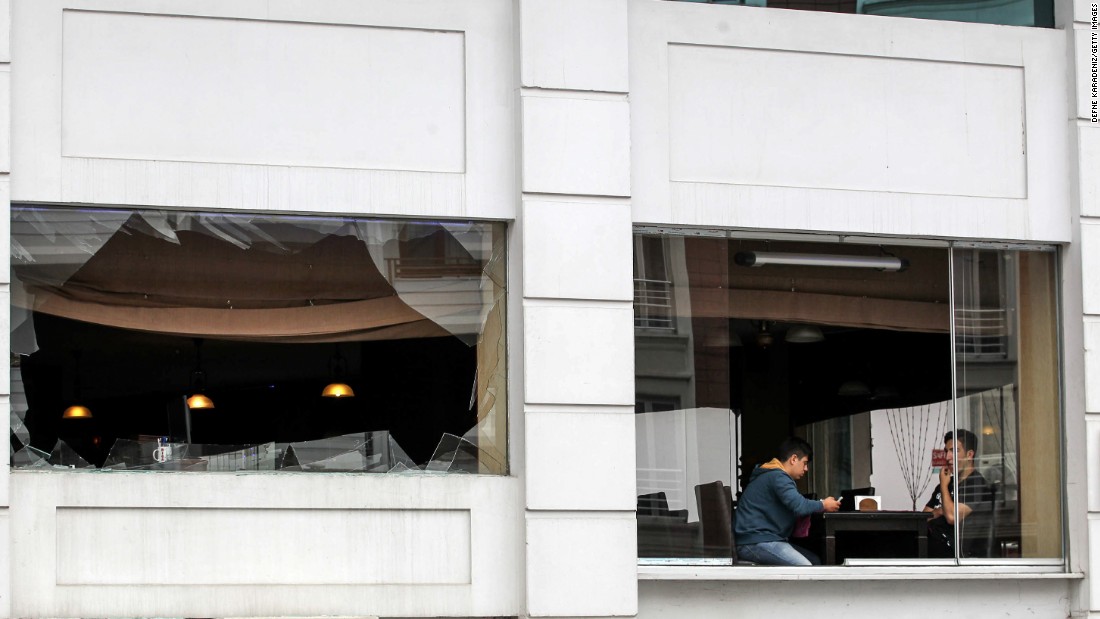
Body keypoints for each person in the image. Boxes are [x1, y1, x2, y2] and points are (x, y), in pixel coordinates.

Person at [734, 437, 841, 566]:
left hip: (760, 540)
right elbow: (799, 506)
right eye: (805, 463)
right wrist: (823, 504)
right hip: (755, 541)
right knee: (805, 567)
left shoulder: (771, 474)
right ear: (794, 459)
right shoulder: (778, 476)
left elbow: (797, 504)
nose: (806, 469)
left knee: (815, 561)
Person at [923, 428, 994, 557]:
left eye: (954, 451)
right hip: (933, 550)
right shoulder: (946, 483)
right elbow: (923, 518)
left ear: (969, 455)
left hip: (958, 556)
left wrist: (944, 487)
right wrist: (941, 510)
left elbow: (951, 517)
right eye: (946, 451)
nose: (947, 457)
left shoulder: (976, 484)